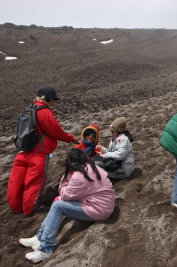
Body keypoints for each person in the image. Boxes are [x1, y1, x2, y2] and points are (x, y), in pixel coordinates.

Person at [19, 148, 115, 263]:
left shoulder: (79, 176)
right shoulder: (93, 167)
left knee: (57, 206)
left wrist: (64, 180)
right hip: (103, 204)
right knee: (58, 204)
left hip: (99, 209)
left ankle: (45, 249)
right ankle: (39, 238)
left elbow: (64, 195)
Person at [7, 86, 79, 215]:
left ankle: (15, 207)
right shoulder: (44, 112)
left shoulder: (28, 109)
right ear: (46, 98)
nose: (54, 102)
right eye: (53, 99)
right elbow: (56, 131)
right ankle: (30, 208)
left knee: (16, 182)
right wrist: (71, 139)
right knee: (34, 183)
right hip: (38, 154)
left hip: (23, 152)